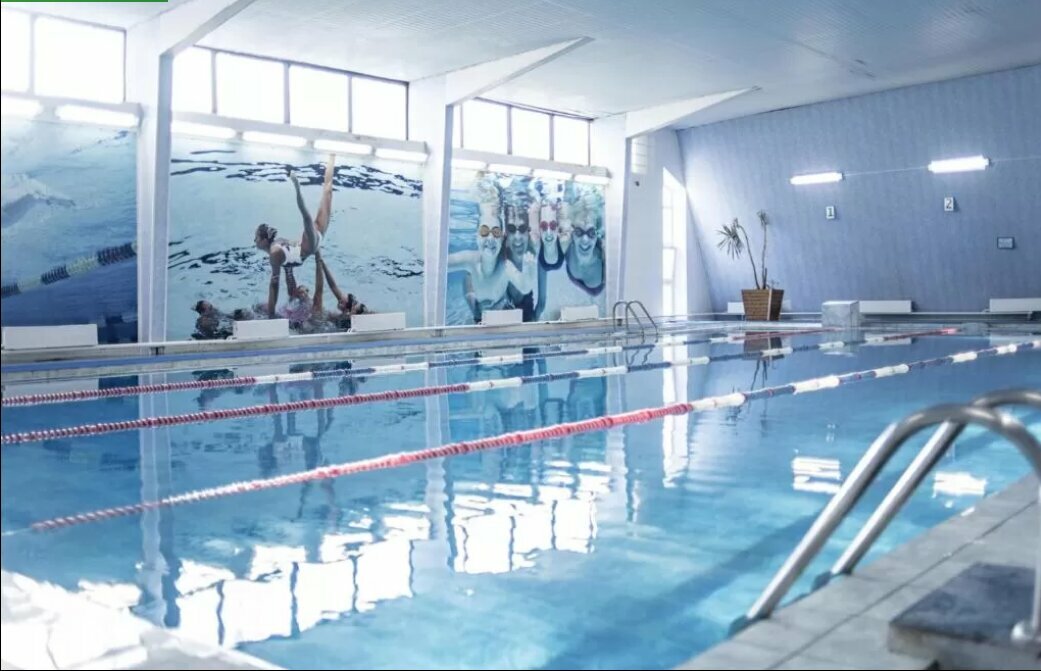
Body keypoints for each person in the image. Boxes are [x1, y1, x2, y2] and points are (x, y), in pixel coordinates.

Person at [254, 154, 337, 318]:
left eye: (256, 238)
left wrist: (271, 315)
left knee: (306, 217)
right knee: (327, 191)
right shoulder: (277, 244)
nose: (254, 240)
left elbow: (274, 285)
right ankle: (332, 156)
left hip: (309, 246)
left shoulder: (274, 253)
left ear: (264, 240)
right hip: (314, 238)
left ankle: (298, 188)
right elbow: (289, 271)